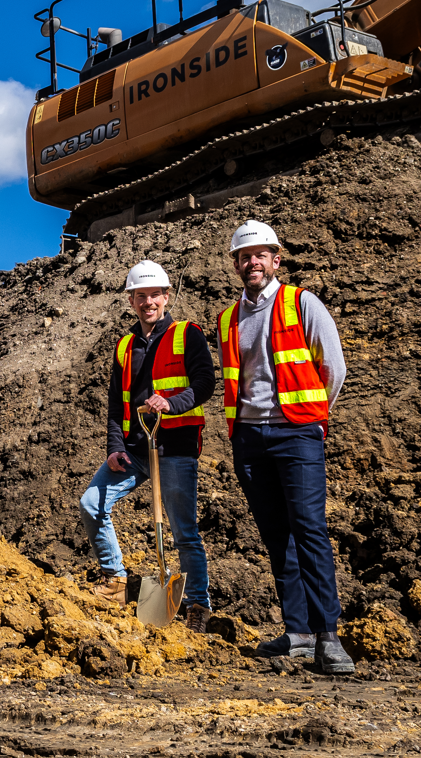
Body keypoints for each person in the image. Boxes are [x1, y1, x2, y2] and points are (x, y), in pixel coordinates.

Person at [217, 219, 354, 674]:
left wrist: (312, 418)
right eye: (244, 255)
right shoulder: (228, 318)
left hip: (297, 433)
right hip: (250, 439)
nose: (251, 262)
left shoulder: (301, 303)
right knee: (278, 535)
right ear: (236, 264)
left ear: (276, 260)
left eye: (260, 254)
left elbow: (332, 367)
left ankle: (328, 636)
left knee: (310, 529)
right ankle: (297, 633)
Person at [79, 260, 216, 632]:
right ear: (131, 300)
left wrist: (172, 403)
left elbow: (206, 382)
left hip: (174, 446)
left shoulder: (187, 334)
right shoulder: (124, 346)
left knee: (183, 530)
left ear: (166, 296)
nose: (148, 302)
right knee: (92, 503)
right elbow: (115, 402)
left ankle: (197, 605)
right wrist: (114, 445)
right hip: (136, 449)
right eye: (141, 296)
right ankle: (116, 580)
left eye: (155, 294)